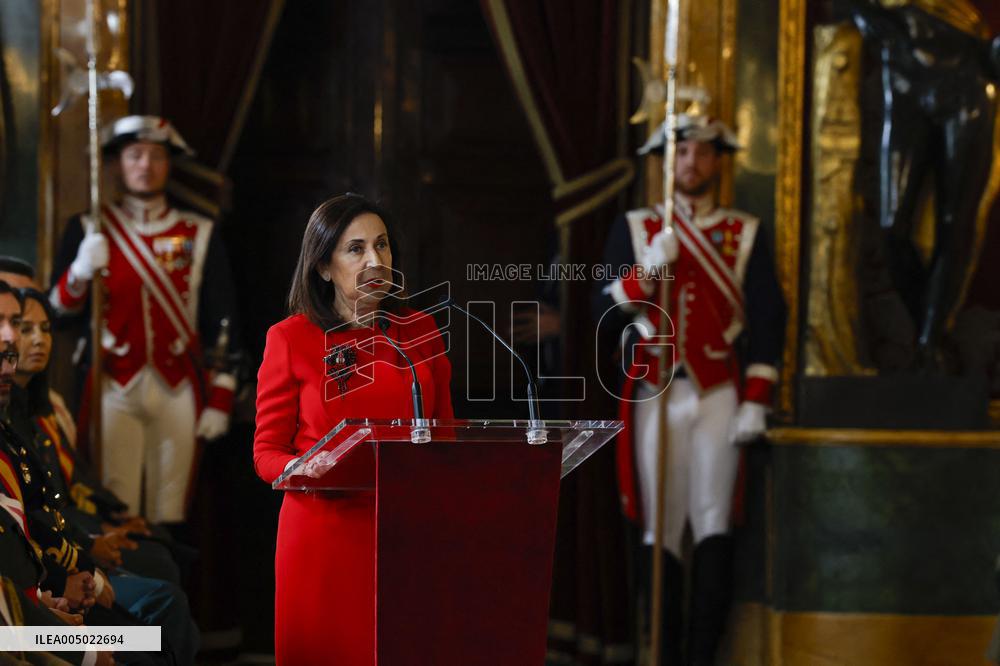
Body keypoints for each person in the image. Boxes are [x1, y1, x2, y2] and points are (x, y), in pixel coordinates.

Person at [593, 114, 785, 665]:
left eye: (702, 153)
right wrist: (643, 276)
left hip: (719, 392)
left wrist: (757, 398)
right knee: (660, 523)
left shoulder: (744, 232)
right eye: (681, 152)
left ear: (717, 161)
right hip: (656, 390)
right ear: (664, 161)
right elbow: (602, 319)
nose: (691, 163)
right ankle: (663, 651)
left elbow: (768, 319)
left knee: (713, 518)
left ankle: (703, 656)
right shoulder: (634, 229)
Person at [253, 193, 454, 665]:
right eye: (356, 249)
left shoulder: (420, 329)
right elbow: (266, 452)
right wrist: (307, 466)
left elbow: (449, 436)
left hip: (409, 535)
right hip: (324, 536)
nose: (374, 260)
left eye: (382, 247)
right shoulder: (291, 339)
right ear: (323, 267)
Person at [49, 115, 241, 524]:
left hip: (179, 387)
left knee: (170, 512)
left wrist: (222, 396)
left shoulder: (199, 232)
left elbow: (223, 320)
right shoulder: (88, 228)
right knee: (115, 507)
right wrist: (80, 271)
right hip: (112, 383)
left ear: (168, 165)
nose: (145, 165)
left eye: (156, 156)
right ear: (117, 164)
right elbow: (56, 313)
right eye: (134, 155)